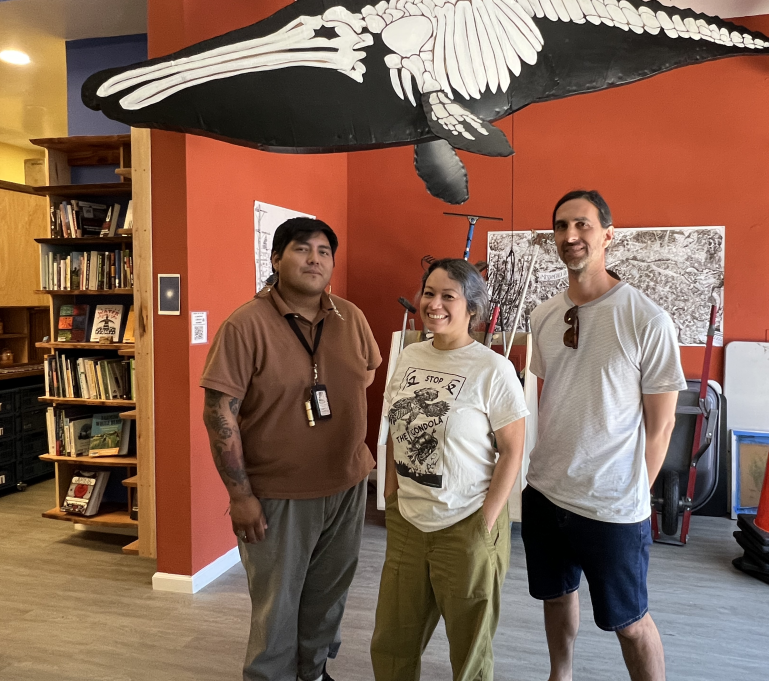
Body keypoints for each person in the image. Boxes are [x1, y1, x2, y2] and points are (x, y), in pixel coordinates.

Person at [201, 217, 381, 681]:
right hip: (277, 496)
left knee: (327, 598)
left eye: (324, 251)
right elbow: (219, 413)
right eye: (302, 249)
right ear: (277, 258)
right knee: (276, 611)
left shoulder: (350, 316)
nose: (315, 259)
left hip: (346, 484)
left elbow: (367, 374)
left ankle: (314, 672)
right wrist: (240, 496)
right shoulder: (245, 325)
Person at [521, 190, 686, 681]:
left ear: (608, 235)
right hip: (547, 490)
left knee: (630, 622)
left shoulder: (647, 319)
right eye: (561, 226)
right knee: (555, 595)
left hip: (613, 505)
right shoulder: (543, 315)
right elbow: (553, 397)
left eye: (583, 225)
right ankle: (561, 675)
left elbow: (663, 426)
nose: (570, 236)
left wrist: (634, 492)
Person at [371, 258, 528, 681]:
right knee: (392, 643)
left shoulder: (493, 369)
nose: (434, 304)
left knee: (470, 651)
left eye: (448, 296)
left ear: (472, 309)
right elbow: (394, 425)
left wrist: (487, 519)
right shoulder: (407, 356)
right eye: (429, 293)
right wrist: (389, 494)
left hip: (466, 525)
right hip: (407, 520)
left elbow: (513, 450)